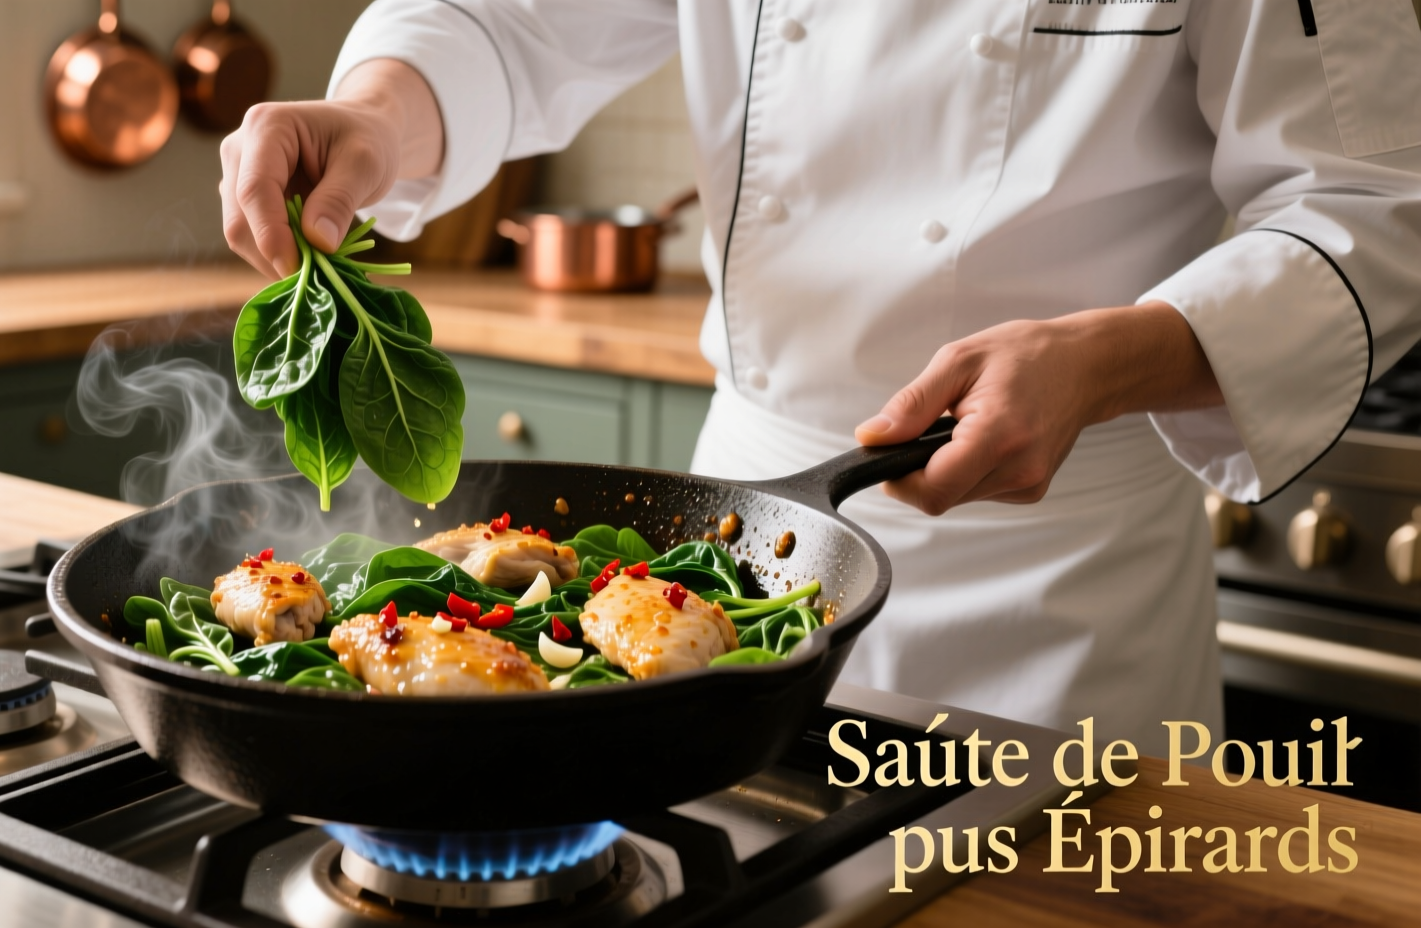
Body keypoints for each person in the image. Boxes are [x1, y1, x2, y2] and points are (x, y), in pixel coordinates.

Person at [219, 1, 1421, 754]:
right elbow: (509, 22)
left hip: (1052, 583)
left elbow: (1372, 202)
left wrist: (1108, 357)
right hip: (722, 560)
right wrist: (370, 113)